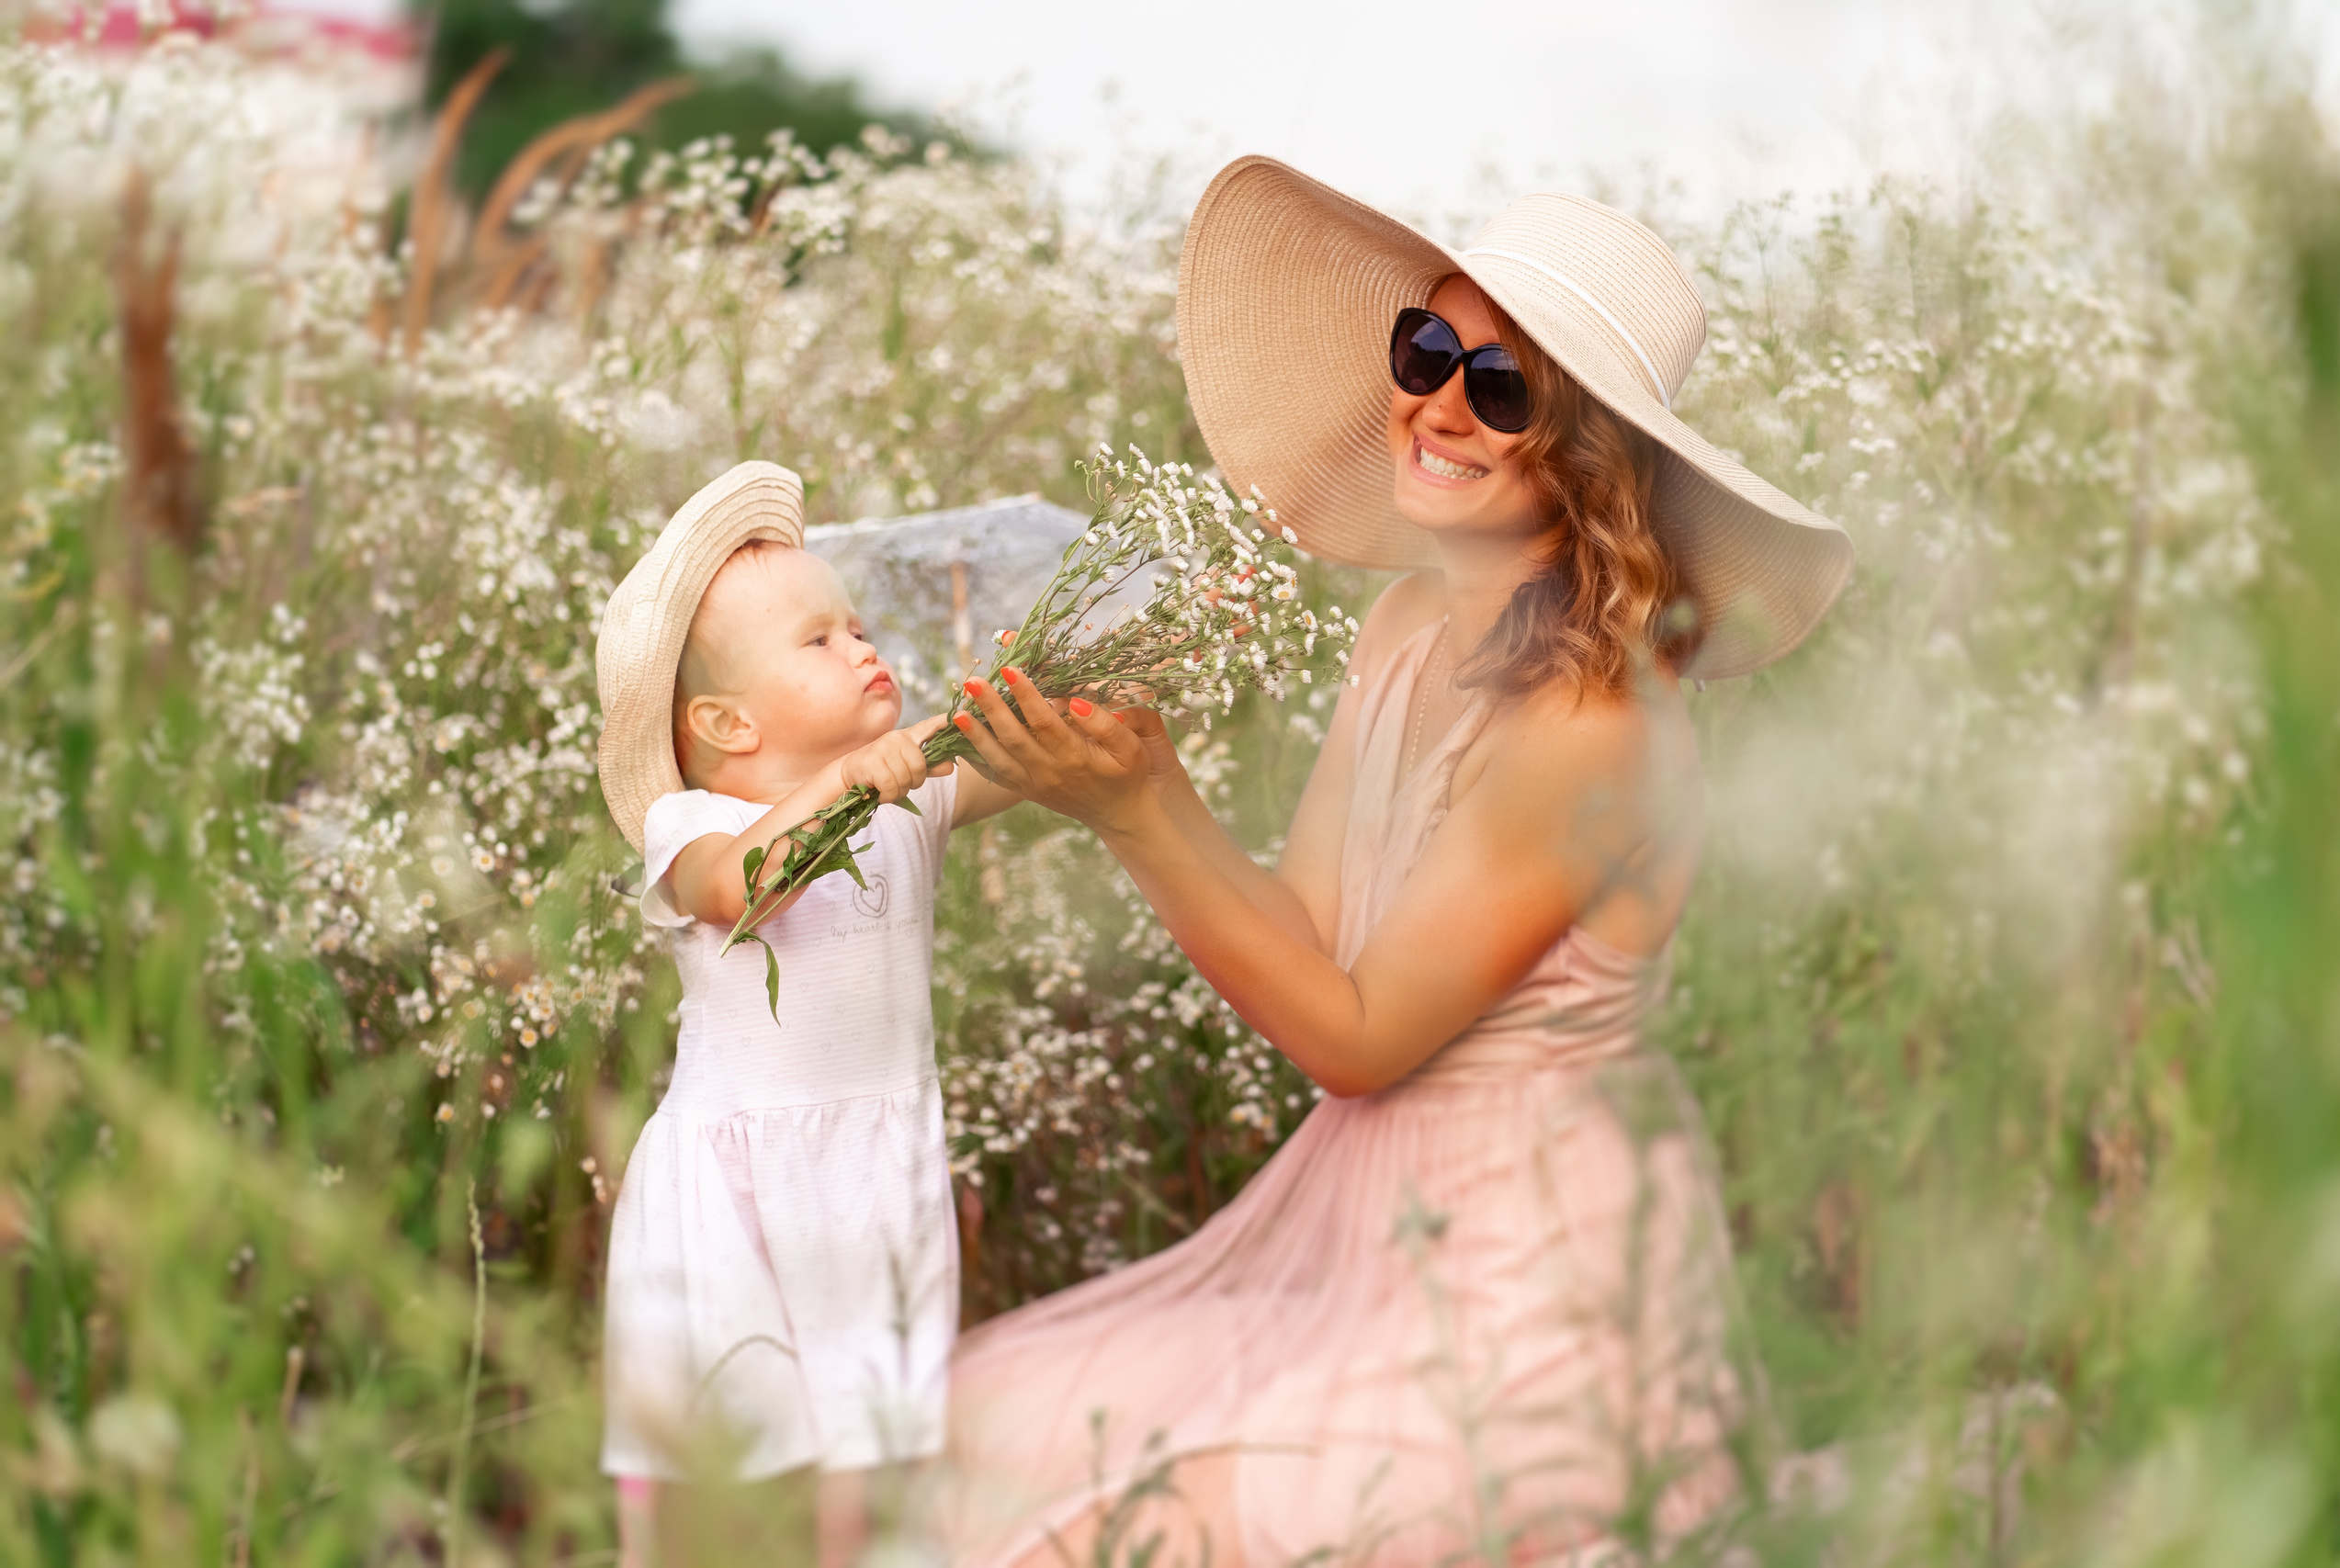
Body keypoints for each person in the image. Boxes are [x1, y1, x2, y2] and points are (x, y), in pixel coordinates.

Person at [936, 156, 1855, 1564]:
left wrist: (1140, 806)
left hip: (1538, 1296)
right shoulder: (1410, 626)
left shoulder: (1590, 728)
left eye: (1501, 386)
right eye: (1427, 345)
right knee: (978, 1419)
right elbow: (1307, 922)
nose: (1436, 402)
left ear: (1588, 457)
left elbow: (1355, 1036)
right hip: (1381, 1237)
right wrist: (1111, 773)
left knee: (1144, 1524)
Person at [590, 462, 1020, 1567]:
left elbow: (1026, 760)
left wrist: (1104, 671)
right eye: (819, 641)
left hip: (871, 1183)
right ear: (725, 721)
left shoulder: (905, 792)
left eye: (859, 625)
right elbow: (747, 887)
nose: (862, 646)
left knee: (871, 1472)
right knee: (729, 1496)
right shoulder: (690, 826)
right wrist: (856, 783)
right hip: (731, 1207)